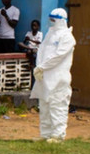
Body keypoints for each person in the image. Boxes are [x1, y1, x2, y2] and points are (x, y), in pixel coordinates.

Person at [31, 9, 76, 142]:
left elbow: (58, 56)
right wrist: (39, 66)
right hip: (44, 78)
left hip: (58, 79)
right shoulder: (50, 34)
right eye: (50, 19)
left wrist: (43, 66)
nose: (50, 22)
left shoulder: (67, 37)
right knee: (44, 106)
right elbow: (42, 51)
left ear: (61, 20)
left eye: (53, 20)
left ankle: (58, 135)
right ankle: (45, 134)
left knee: (57, 106)